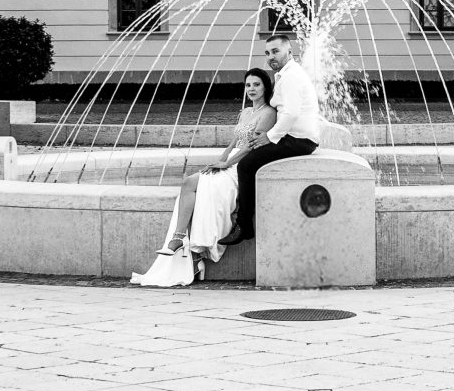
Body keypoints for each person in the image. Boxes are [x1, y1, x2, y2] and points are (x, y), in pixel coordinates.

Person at [130, 67, 276, 287]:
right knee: (190, 184)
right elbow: (234, 143)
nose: (251, 89)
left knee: (191, 184)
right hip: (231, 161)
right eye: (248, 85)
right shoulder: (246, 112)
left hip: (244, 166)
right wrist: (220, 161)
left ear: (265, 87)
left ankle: (181, 241)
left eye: (256, 84)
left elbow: (250, 146)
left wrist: (227, 165)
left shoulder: (269, 113)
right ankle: (185, 246)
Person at [225, 36, 321, 246]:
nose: (271, 57)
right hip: (294, 137)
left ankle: (243, 226)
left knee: (246, 165)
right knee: (250, 157)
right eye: (267, 53)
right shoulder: (286, 74)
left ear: (289, 52)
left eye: (276, 51)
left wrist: (269, 137)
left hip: (299, 140)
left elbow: (291, 114)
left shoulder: (291, 77)